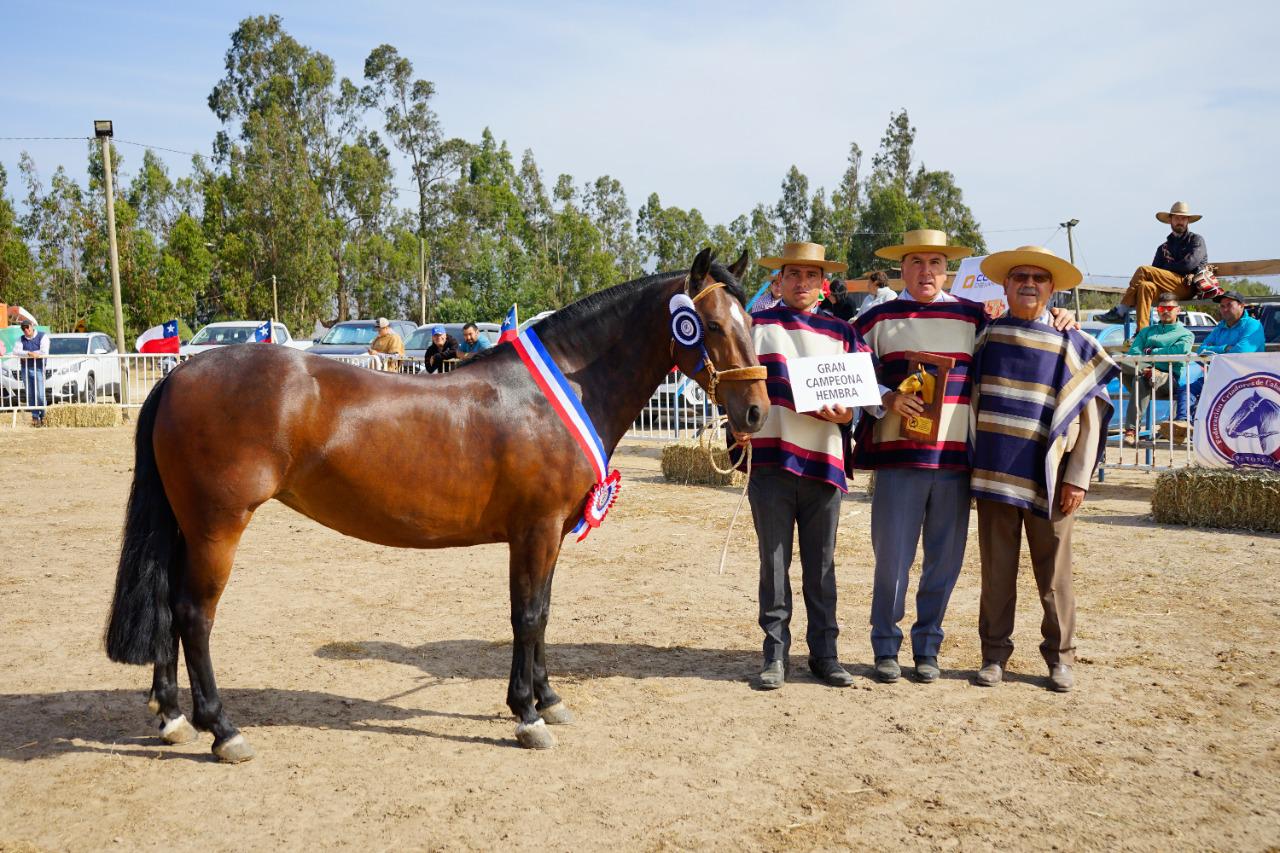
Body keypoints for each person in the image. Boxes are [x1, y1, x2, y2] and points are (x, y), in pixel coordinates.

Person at [852, 229, 1078, 684]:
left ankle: (928, 647)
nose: (925, 272)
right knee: (892, 562)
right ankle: (885, 647)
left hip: (956, 465)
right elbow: (850, 372)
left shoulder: (975, 318)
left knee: (945, 563)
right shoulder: (876, 319)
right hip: (899, 462)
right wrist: (886, 397)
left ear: (947, 270)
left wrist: (1061, 317)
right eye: (916, 262)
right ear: (903, 268)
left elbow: (1022, 330)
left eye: (935, 263)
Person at [969, 246, 1118, 693]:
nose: (1028, 283)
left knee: (1053, 576)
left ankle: (1060, 658)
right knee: (997, 573)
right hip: (994, 475)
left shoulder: (1072, 342)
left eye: (1038, 277)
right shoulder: (986, 337)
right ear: (1005, 284)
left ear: (1052, 288)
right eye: (1019, 276)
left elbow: (1090, 418)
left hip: (1051, 479)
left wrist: (1077, 477)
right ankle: (994, 656)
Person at [732, 241, 870, 691]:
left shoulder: (844, 334)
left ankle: (824, 655)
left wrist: (848, 415)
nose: (803, 283)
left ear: (824, 283)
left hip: (824, 463)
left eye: (812, 275)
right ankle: (774, 655)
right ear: (779, 280)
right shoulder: (756, 328)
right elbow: (734, 384)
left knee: (822, 566)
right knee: (773, 565)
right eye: (794, 274)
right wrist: (734, 427)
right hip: (771, 461)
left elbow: (862, 398)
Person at [1096, 201, 1208, 330]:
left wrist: (1164, 268)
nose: (1180, 221)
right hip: (1167, 288)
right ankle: (1141, 333)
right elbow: (1153, 274)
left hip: (1187, 286)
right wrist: (1162, 271)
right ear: (1170, 220)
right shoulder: (1163, 247)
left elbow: (1187, 265)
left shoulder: (1196, 240)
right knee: (1145, 286)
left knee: (1144, 270)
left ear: (1188, 221)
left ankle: (1121, 310)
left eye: (1183, 218)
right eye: (1177, 218)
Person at [1119, 291, 1193, 445]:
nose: (1165, 311)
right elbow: (1134, 353)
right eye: (1161, 309)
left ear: (1178, 310)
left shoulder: (1185, 334)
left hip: (1168, 379)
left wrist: (1152, 352)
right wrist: (1149, 366)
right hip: (1143, 375)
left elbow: (1179, 351)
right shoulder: (1146, 331)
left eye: (1170, 308)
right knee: (1117, 360)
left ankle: (1131, 430)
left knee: (1141, 378)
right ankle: (1131, 431)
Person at [1186, 291, 1265, 417]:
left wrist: (1215, 350)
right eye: (1222, 306)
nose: (1225, 309)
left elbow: (1241, 352)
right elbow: (1201, 350)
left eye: (1229, 305)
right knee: (1187, 391)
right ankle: (1182, 426)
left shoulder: (1253, 325)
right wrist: (1225, 348)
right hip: (1217, 377)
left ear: (1241, 306)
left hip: (1246, 381)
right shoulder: (1220, 327)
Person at [15, 319, 50, 426]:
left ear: (32, 326)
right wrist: (29, 353)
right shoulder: (21, 339)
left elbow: (44, 351)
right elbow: (16, 351)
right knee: (30, 394)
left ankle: (43, 415)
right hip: (25, 368)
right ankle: (35, 417)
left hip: (39, 368)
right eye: (23, 328)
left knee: (40, 394)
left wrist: (25, 354)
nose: (26, 330)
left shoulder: (43, 336)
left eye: (27, 327)